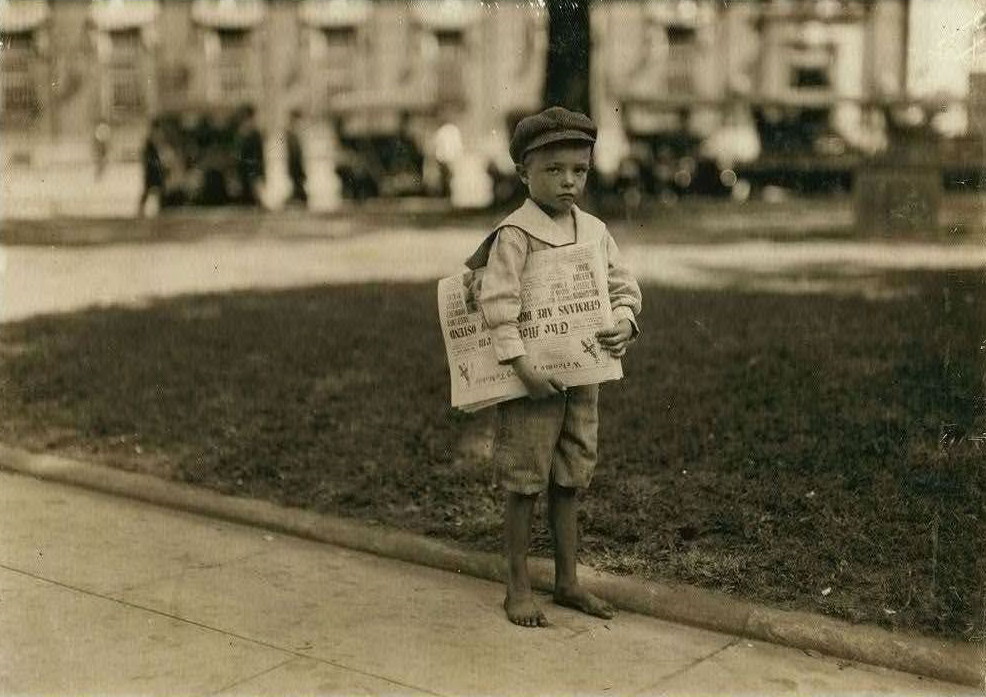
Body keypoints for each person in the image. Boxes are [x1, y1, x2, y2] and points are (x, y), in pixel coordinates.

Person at [464, 106, 642, 628]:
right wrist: (522, 367)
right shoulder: (515, 234)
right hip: (531, 384)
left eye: (579, 170)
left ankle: (568, 581)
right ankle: (517, 586)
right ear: (523, 172)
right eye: (553, 170)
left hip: (582, 379)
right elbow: (498, 304)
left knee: (570, 477)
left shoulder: (593, 230)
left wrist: (626, 319)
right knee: (524, 481)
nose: (568, 181)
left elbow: (622, 286)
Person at [236, 105, 266, 206]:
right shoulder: (246, 133)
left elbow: (258, 155)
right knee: (249, 200)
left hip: (250, 173)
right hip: (249, 173)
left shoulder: (250, 133)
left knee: (252, 200)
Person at [138, 119, 166, 217]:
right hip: (151, 169)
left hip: (154, 169)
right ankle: (141, 209)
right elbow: (147, 156)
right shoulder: (149, 142)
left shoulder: (154, 140)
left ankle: (159, 209)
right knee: (149, 189)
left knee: (157, 189)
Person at [286, 109, 308, 205]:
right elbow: (294, 151)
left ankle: (299, 198)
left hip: (296, 162)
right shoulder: (292, 133)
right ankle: (299, 198)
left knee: (298, 183)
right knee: (297, 182)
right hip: (295, 162)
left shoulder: (293, 132)